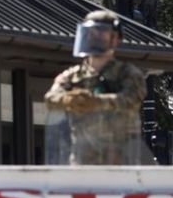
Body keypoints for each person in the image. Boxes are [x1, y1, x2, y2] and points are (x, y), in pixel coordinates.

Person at [44, 10, 146, 165]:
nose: (94, 38)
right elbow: (51, 99)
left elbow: (131, 99)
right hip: (82, 158)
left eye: (101, 33)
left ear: (115, 39)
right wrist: (71, 99)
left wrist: (96, 102)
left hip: (120, 159)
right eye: (90, 33)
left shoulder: (128, 74)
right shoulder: (72, 76)